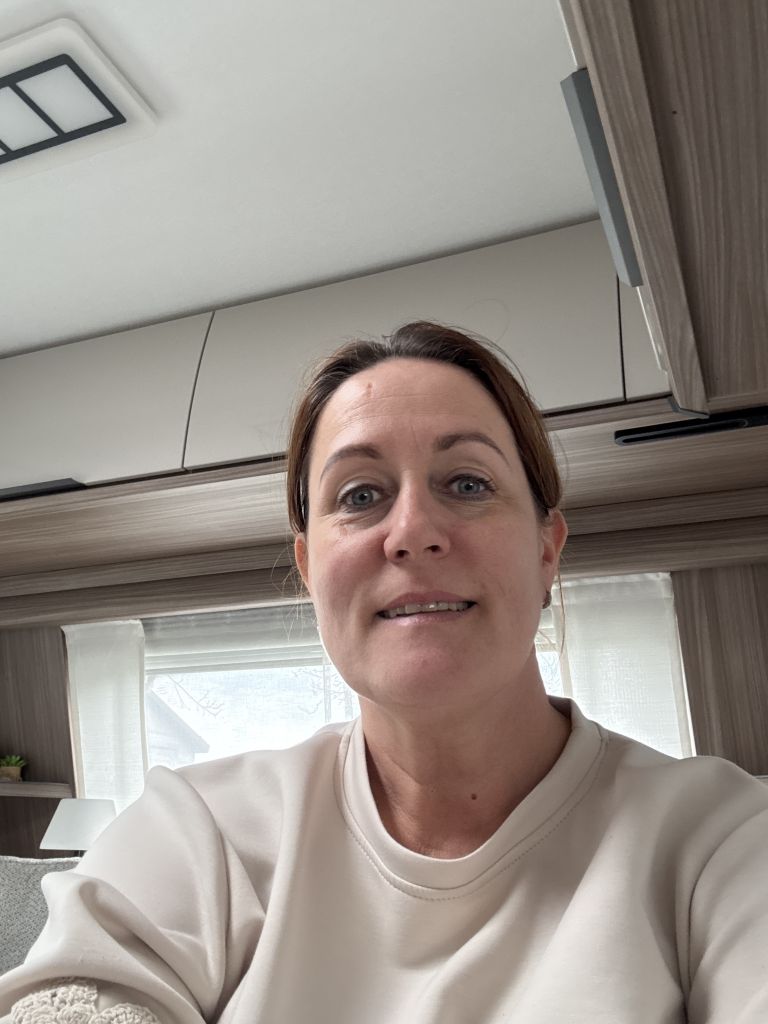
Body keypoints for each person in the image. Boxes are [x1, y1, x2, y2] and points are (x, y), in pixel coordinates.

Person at [1, 321, 767, 1024]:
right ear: (309, 567)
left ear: (546, 551)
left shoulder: (721, 840)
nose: (413, 532)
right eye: (360, 495)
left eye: (467, 483)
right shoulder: (196, 831)